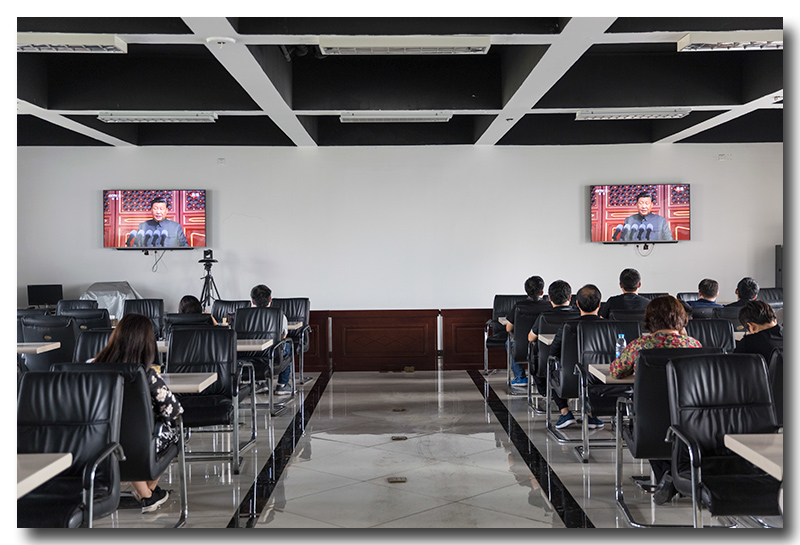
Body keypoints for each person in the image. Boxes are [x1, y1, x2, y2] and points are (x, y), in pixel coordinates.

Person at [608, 295, 702, 505]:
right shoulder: (694, 345)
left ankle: (667, 477)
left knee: (651, 413)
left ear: (650, 319)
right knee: (669, 418)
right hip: (691, 425)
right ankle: (674, 477)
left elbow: (616, 371)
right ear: (682, 319)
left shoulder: (640, 345)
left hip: (649, 428)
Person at [93, 313, 182, 513]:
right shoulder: (146, 376)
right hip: (137, 448)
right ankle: (147, 493)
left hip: (97, 445)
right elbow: (174, 410)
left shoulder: (91, 369)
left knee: (124, 435)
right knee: (175, 432)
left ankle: (147, 493)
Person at [544, 284, 606, 430]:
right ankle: (591, 415)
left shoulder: (567, 326)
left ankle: (565, 412)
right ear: (599, 304)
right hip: (603, 381)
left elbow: (552, 352)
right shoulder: (610, 326)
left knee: (551, 369)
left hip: (570, 381)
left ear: (577, 304)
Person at [505, 276, 551, 386]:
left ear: (526, 291)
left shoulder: (518, 306)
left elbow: (508, 328)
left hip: (522, 347)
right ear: (542, 292)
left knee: (509, 343)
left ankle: (520, 377)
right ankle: (541, 377)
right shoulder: (549, 306)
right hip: (544, 347)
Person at [251, 284, 293, 396]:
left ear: (253, 301)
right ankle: (282, 385)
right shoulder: (279, 315)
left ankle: (260, 382)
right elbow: (283, 335)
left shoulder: (244, 316)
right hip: (272, 353)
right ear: (270, 299)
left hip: (251, 354)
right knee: (287, 346)